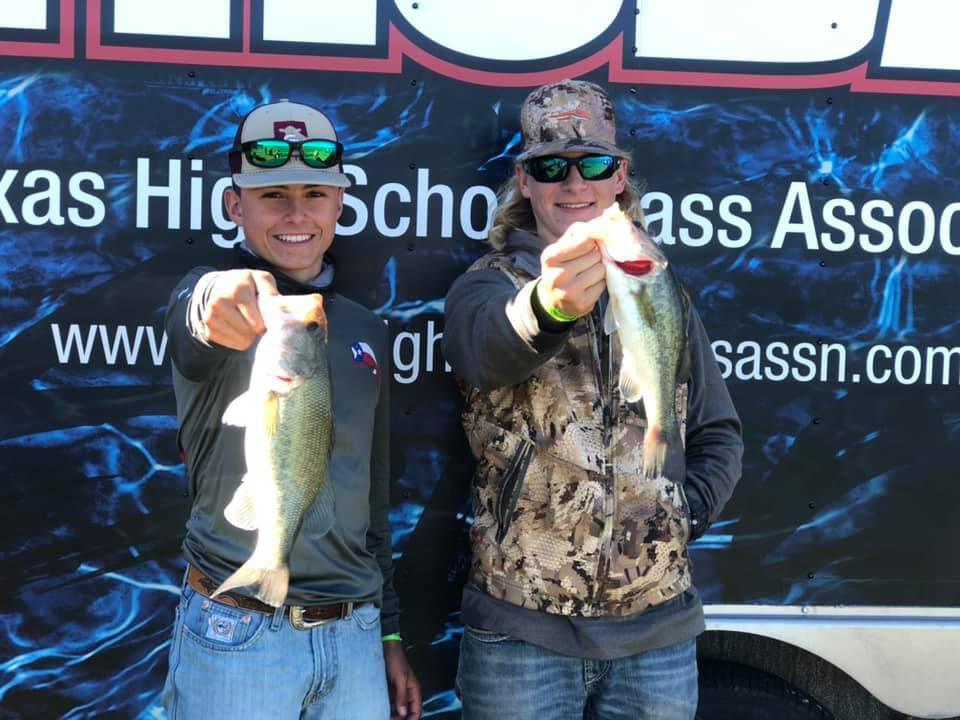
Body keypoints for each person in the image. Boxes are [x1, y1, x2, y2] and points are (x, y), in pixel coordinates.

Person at [442, 80, 744, 719]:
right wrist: (550, 305)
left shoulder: (660, 287)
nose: (574, 183)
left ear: (620, 178)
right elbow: (490, 351)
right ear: (525, 182)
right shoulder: (484, 287)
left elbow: (717, 430)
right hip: (520, 635)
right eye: (551, 166)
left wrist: (676, 520)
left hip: (657, 635)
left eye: (594, 164)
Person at [162, 99, 422, 720]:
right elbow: (198, 311)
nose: (296, 214)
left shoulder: (368, 329)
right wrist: (214, 298)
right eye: (272, 195)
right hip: (237, 632)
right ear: (235, 206)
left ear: (339, 203)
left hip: (355, 638)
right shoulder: (221, 297)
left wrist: (387, 634)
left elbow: (373, 500)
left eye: (315, 193)